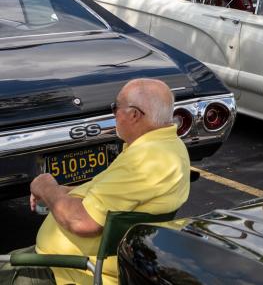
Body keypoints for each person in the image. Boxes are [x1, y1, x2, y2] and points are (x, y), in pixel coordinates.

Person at [0, 79, 189, 285]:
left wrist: (45, 186)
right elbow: (109, 196)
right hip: (66, 262)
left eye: (115, 108)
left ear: (134, 115)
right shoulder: (169, 146)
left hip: (70, 272)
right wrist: (63, 191)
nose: (114, 114)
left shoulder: (145, 161)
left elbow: (82, 221)